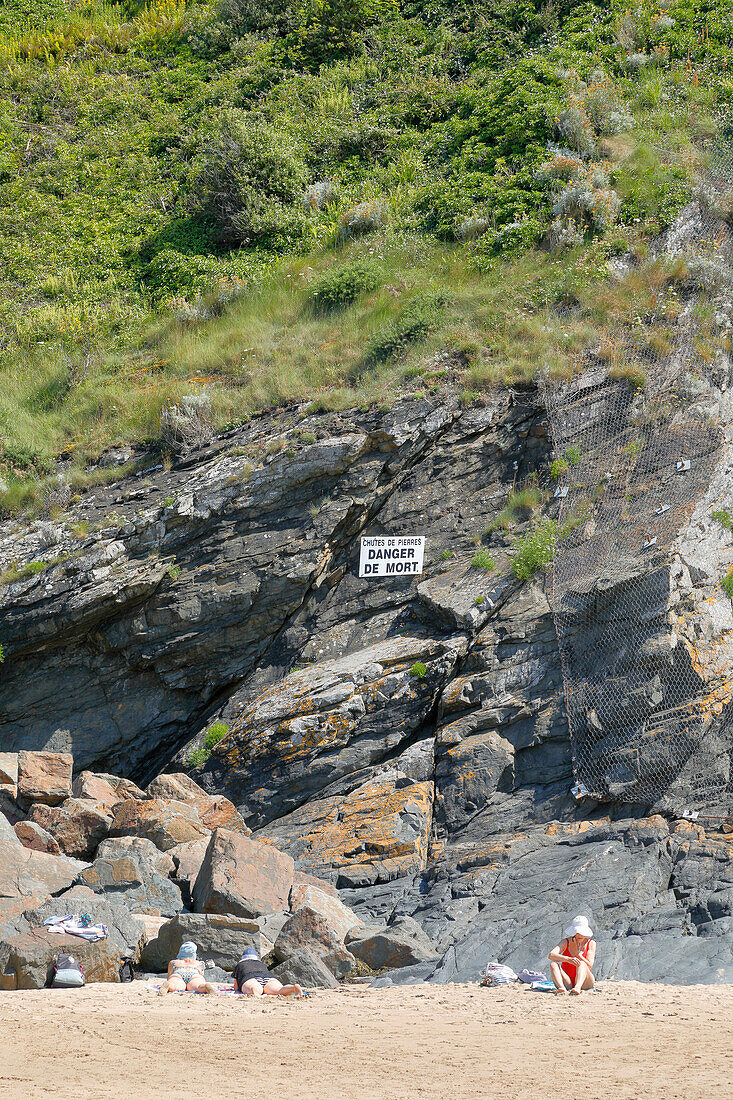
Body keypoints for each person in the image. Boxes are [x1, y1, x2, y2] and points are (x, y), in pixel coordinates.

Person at [548, 916, 596, 995]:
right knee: (553, 964)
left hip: (585, 981)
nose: (580, 935)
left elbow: (590, 965)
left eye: (582, 932)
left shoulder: (591, 943)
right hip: (568, 981)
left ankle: (577, 987)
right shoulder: (565, 942)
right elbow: (551, 955)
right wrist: (568, 959)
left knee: (583, 963)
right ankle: (561, 988)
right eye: (577, 932)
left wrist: (578, 955)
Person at [233, 947, 302, 998]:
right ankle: (293, 988)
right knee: (279, 990)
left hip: (251, 978)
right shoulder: (261, 963)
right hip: (268, 978)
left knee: (253, 987)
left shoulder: (240, 964)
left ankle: (256, 992)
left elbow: (236, 987)